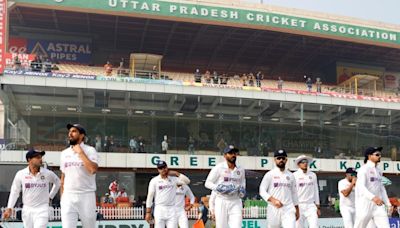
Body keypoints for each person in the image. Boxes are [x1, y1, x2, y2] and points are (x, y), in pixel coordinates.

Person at [2, 149, 60, 228]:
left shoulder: (47, 173)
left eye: (41, 157)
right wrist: (9, 208)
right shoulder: (21, 174)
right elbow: (14, 192)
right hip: (27, 210)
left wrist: (51, 196)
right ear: (29, 160)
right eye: (37, 157)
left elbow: (58, 182)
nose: (40, 159)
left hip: (42, 209)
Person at [60, 123, 99, 228]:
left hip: (86, 195)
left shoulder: (90, 150)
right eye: (69, 132)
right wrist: (62, 198)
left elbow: (92, 169)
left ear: (82, 135)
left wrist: (80, 153)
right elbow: (63, 177)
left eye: (74, 131)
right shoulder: (64, 153)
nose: (70, 134)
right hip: (68, 196)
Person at [204, 145, 246, 228]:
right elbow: (207, 183)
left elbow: (242, 183)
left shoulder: (240, 169)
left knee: (237, 226)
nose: (233, 155)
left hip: (236, 201)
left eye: (234, 153)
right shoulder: (219, 168)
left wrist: (242, 190)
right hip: (222, 200)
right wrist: (219, 188)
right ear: (224, 155)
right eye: (230, 153)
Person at [259, 149, 299, 228]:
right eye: (279, 158)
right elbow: (262, 190)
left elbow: (294, 193)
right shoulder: (270, 174)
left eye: (283, 158)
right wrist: (273, 200)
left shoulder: (291, 175)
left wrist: (297, 208)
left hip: (288, 208)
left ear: (286, 160)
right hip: (274, 208)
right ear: (274, 160)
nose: (281, 160)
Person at [354, 146, 392, 228]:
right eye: (377, 154)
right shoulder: (363, 170)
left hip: (378, 205)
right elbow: (361, 187)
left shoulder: (379, 171)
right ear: (369, 156)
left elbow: (381, 188)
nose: (380, 156)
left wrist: (388, 204)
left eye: (380, 154)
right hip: (365, 204)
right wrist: (373, 197)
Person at [145, 160, 190, 228]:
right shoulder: (154, 181)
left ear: (167, 167)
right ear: (158, 170)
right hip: (159, 209)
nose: (163, 170)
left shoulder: (174, 179)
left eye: (164, 167)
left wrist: (176, 173)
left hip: (172, 209)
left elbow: (187, 181)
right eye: (160, 168)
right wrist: (148, 212)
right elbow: (150, 197)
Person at [293, 155, 320, 228]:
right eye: (302, 162)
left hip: (311, 205)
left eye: (306, 162)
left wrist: (318, 206)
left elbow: (316, 190)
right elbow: (292, 192)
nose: (305, 163)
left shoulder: (313, 175)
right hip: (299, 205)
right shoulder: (294, 175)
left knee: (314, 226)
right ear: (298, 164)